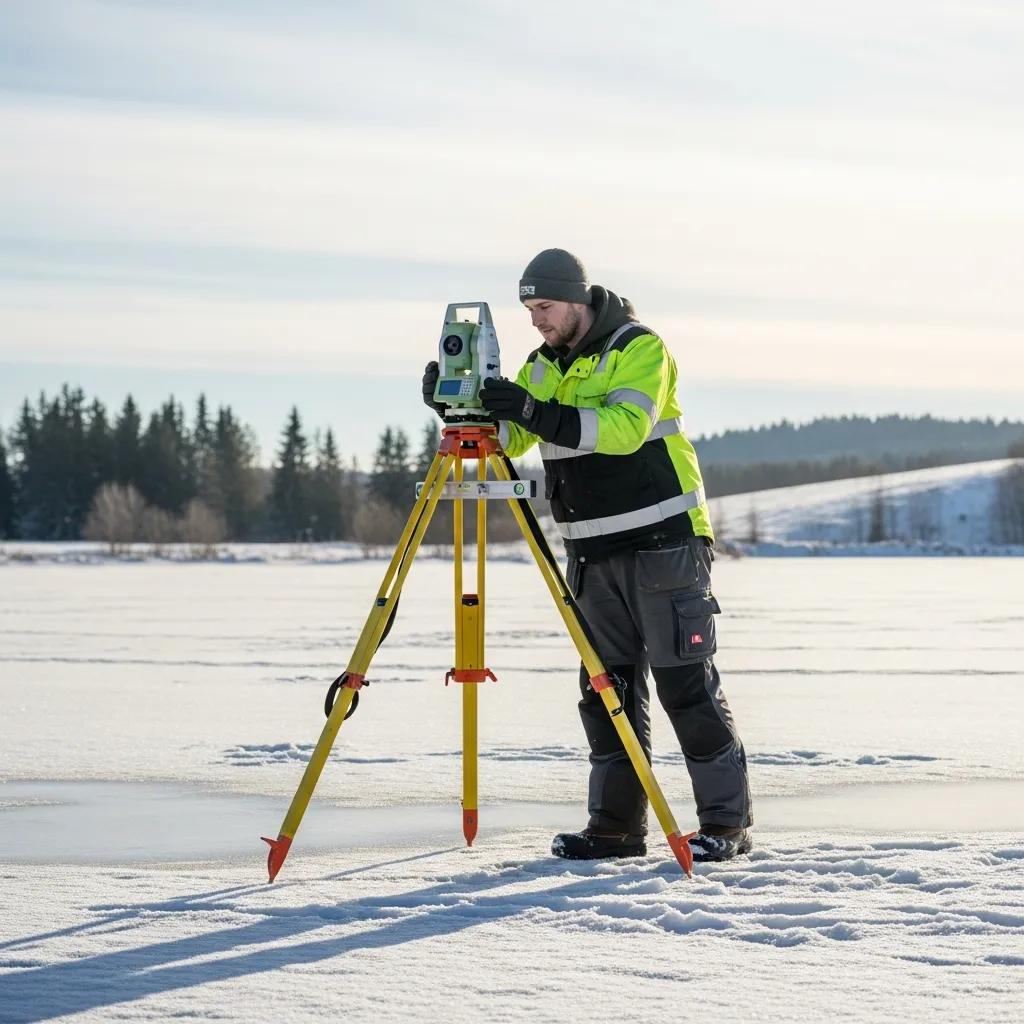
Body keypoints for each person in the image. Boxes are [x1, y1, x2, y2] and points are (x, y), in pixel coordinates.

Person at [421, 248, 752, 862]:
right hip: (591, 552)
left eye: (543, 307)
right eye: (528, 310)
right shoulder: (541, 366)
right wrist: (459, 408)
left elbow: (624, 430)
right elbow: (513, 436)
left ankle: (725, 827)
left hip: (663, 544)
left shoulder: (639, 348)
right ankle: (615, 828)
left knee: (685, 687)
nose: (536, 321)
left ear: (576, 299)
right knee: (608, 692)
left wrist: (534, 411)